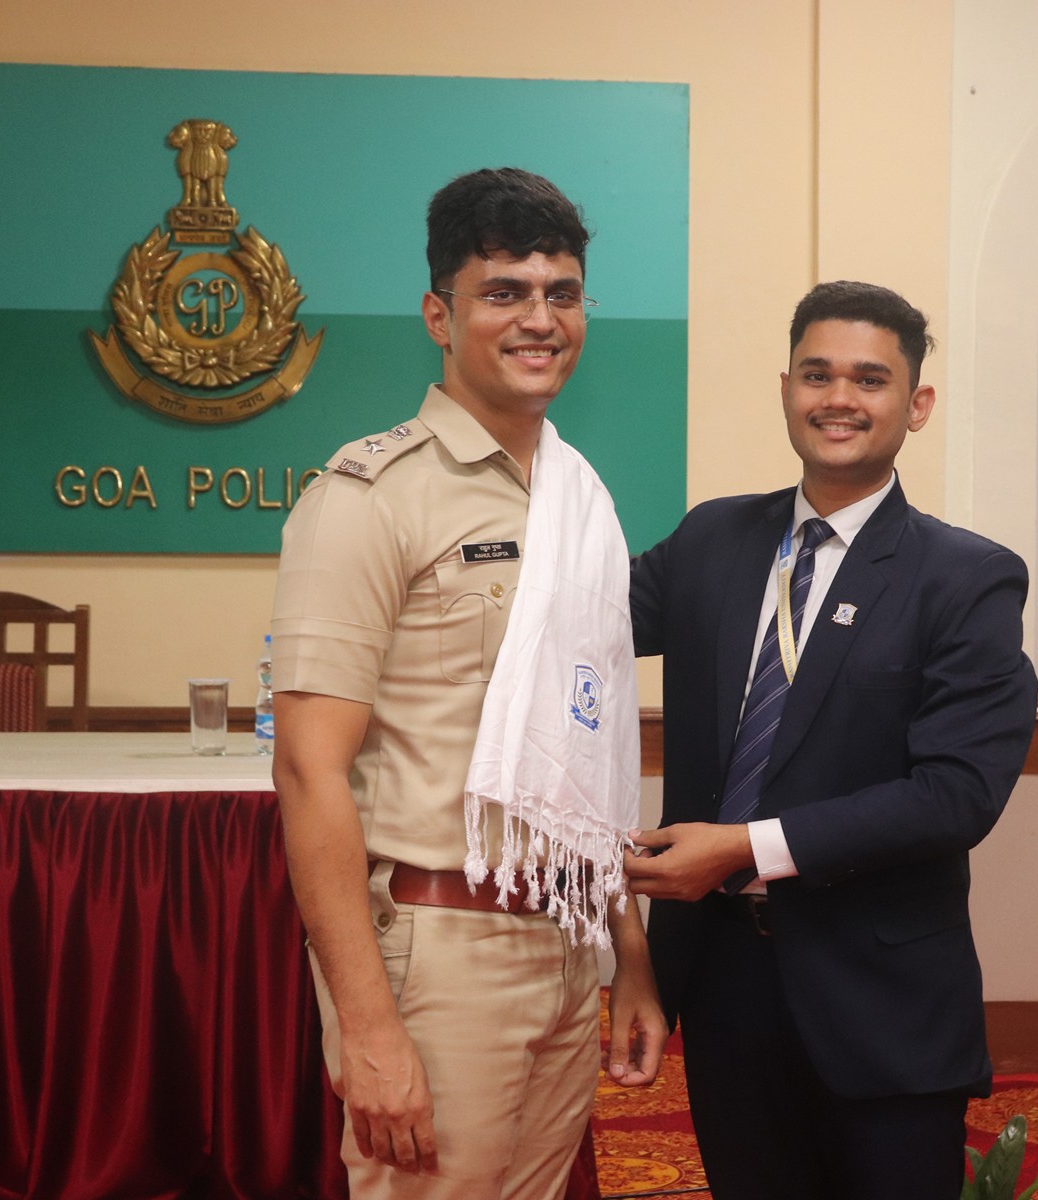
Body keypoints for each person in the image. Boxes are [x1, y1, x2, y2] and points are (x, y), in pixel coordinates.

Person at [271, 167, 665, 1200]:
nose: (540, 319)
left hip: (567, 945)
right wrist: (369, 1029)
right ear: (439, 316)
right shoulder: (368, 497)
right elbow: (309, 773)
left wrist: (628, 953)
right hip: (441, 948)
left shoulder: (578, 495)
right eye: (505, 293)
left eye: (562, 293)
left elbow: (588, 758)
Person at [625, 281, 1038, 1200]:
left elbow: (956, 795)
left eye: (869, 379)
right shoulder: (711, 538)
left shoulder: (965, 578)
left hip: (880, 997)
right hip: (722, 979)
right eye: (816, 375)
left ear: (916, 404)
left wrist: (745, 847)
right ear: (785, 390)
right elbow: (574, 627)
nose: (838, 398)